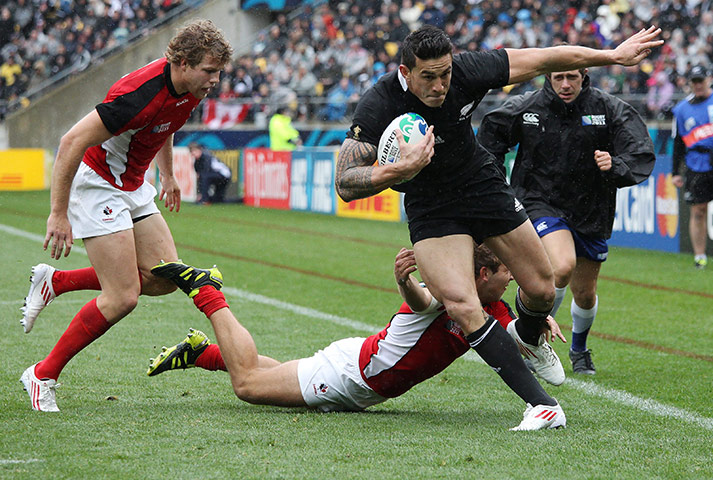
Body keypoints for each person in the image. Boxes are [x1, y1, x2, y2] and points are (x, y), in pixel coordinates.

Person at [333, 25, 662, 422]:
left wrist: (612, 55)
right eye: (428, 77)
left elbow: (546, 57)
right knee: (460, 304)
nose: (439, 85)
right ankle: (543, 406)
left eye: (445, 74)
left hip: (481, 185)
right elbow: (345, 181)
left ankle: (526, 337)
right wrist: (399, 169)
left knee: (542, 290)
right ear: (406, 73)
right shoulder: (379, 103)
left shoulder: (469, 70)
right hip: (432, 207)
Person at [18, 19, 233, 412]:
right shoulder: (137, 93)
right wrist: (58, 213)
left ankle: (56, 283)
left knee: (166, 276)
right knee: (122, 297)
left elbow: (166, 123)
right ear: (182, 62)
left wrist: (166, 173)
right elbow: (71, 141)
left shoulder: (190, 87)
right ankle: (42, 374)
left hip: (132, 184)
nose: (215, 80)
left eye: (218, 72)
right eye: (209, 71)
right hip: (98, 184)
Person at [147, 245, 566, 430]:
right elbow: (421, 301)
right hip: (353, 375)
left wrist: (537, 318)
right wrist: (404, 281)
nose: (514, 280)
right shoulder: (451, 292)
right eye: (508, 274)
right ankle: (206, 291)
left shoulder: (493, 307)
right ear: (482, 275)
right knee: (248, 385)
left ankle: (202, 353)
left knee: (263, 374)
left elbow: (514, 336)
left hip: (359, 373)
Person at [477, 67, 656, 375]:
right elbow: (490, 135)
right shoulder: (527, 106)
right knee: (561, 266)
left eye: (571, 77)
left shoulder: (607, 108)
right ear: (547, 76)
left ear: (583, 75)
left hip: (592, 208)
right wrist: (492, 182)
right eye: (558, 77)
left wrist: (617, 164)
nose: (565, 84)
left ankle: (579, 349)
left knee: (585, 293)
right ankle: (529, 336)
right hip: (540, 201)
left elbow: (640, 150)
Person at [671, 65, 713, 269]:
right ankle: (699, 256)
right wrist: (675, 172)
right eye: (694, 81)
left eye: (701, 80)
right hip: (697, 163)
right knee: (698, 210)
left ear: (709, 79)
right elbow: (677, 142)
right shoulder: (681, 109)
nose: (697, 85)